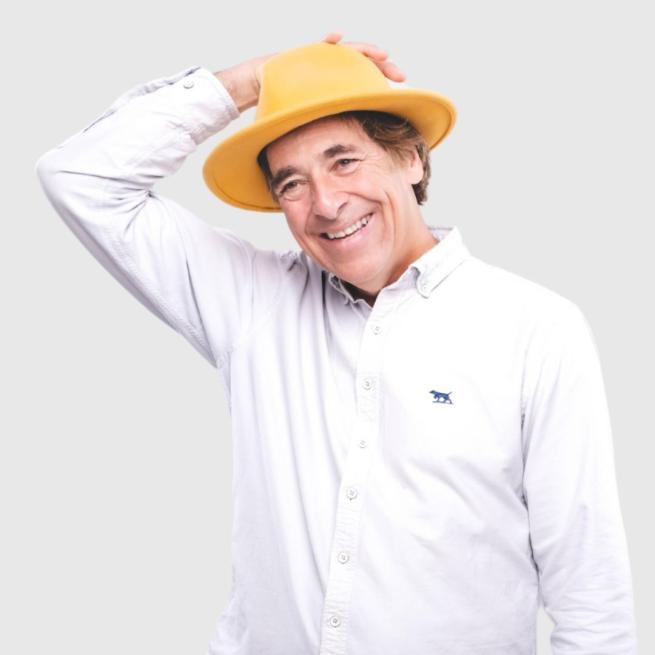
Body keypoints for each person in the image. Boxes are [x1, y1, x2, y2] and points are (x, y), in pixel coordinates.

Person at [35, 33, 638, 655]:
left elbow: (588, 583)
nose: (325, 203)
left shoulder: (534, 326)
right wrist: (257, 80)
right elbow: (79, 176)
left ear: (412, 160)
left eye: (344, 160)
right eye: (291, 184)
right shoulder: (251, 302)